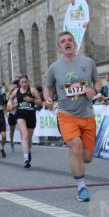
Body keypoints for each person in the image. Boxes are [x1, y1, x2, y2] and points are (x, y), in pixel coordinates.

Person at [44, 31, 100, 202]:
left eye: (69, 40)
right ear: (59, 47)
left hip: (87, 114)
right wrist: (47, 97)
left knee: (87, 157)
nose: (67, 43)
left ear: (74, 44)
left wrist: (95, 90)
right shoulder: (54, 68)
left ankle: (78, 163)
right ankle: (81, 187)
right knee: (75, 146)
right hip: (66, 114)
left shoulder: (88, 62)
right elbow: (48, 87)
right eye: (63, 41)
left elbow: (97, 81)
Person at [8, 74, 43, 168]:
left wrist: (32, 99)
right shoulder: (16, 91)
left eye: (25, 82)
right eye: (22, 82)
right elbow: (10, 98)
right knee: (25, 136)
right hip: (20, 115)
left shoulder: (32, 90)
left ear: (28, 82)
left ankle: (29, 151)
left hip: (31, 115)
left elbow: (40, 101)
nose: (24, 84)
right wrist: (11, 106)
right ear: (19, 83)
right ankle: (26, 158)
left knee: (29, 138)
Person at [6, 77, 20, 151]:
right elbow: (8, 109)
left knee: (22, 128)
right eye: (14, 90)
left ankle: (25, 142)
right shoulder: (10, 99)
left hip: (19, 114)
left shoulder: (20, 95)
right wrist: (13, 106)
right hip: (12, 115)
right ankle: (11, 142)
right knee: (12, 131)